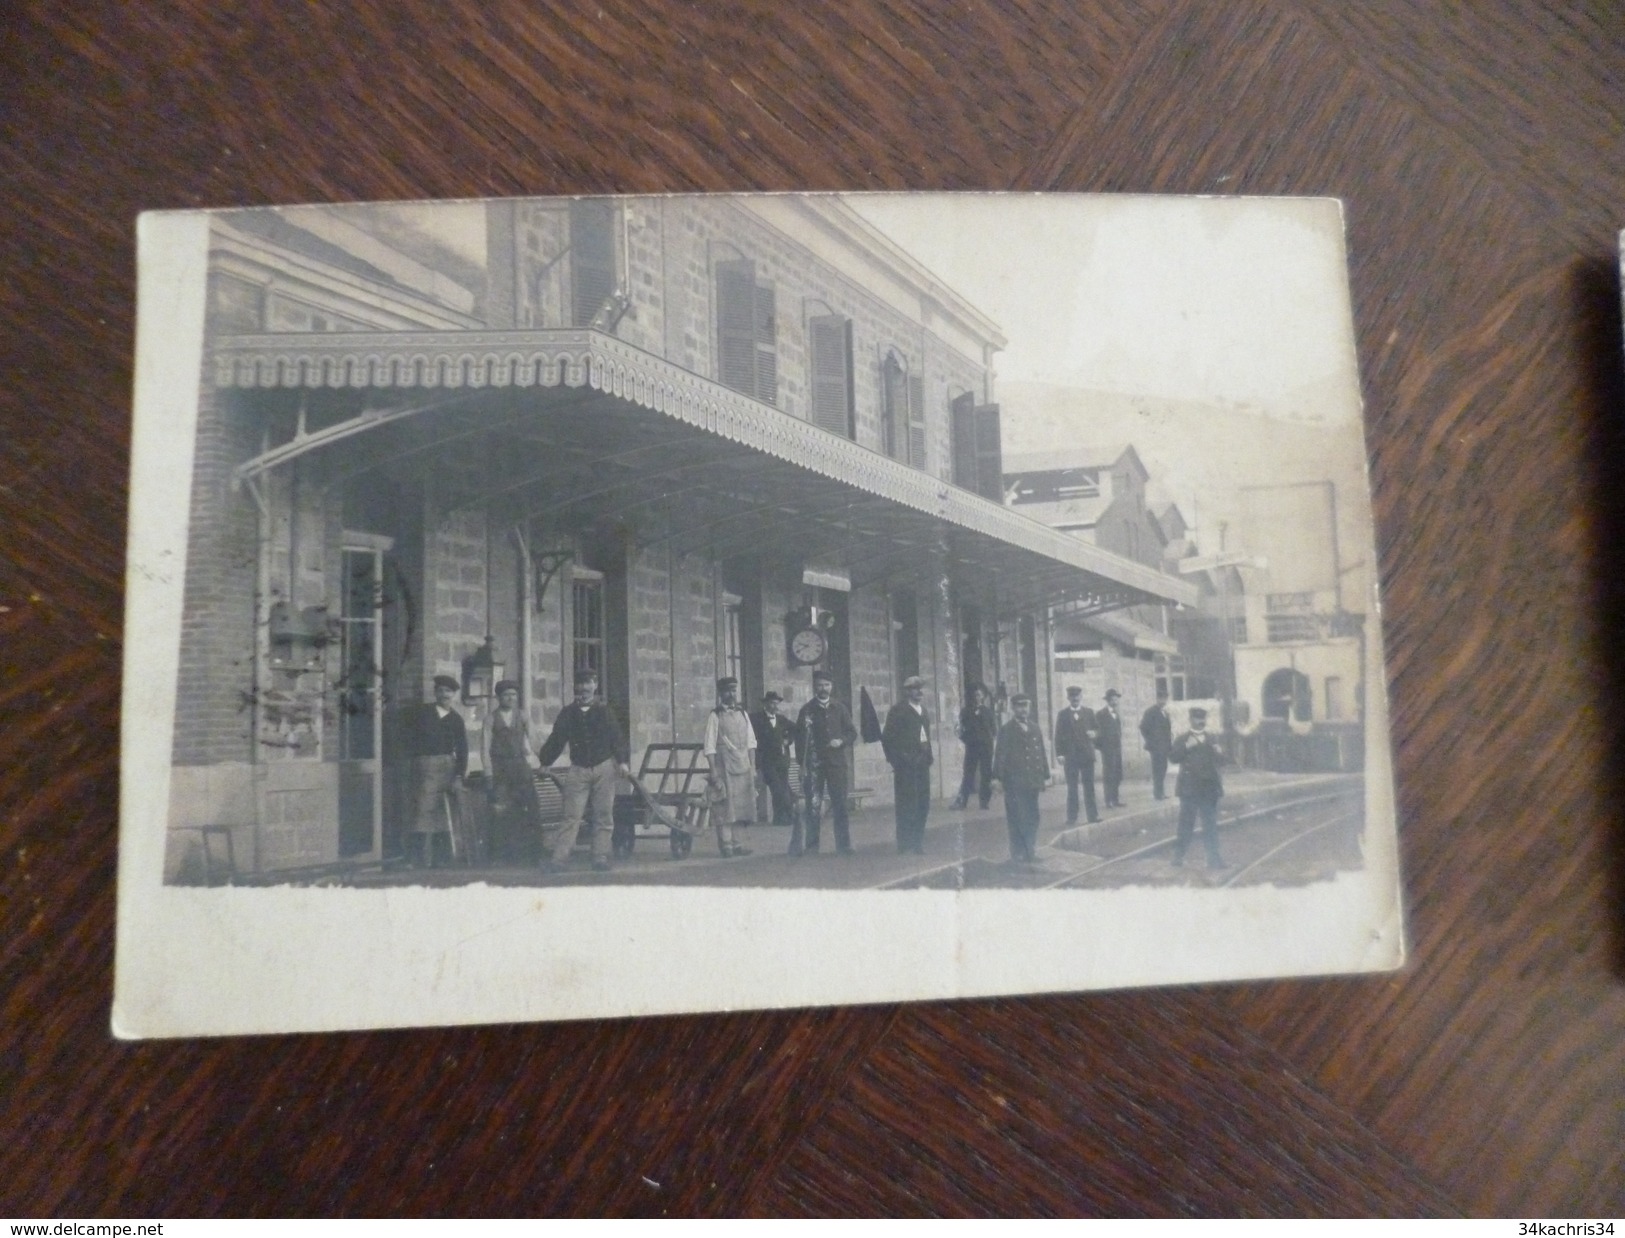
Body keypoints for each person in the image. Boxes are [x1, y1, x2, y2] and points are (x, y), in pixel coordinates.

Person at [536, 670, 631, 873]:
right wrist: (546, 761)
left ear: (595, 686)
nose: (584, 689)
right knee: (571, 815)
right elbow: (557, 739)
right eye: (580, 684)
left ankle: (601, 856)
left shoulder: (605, 712)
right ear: (575, 688)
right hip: (578, 769)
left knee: (603, 814)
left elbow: (617, 738)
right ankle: (559, 859)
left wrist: (622, 761)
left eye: (588, 683)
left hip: (604, 768)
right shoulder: (568, 713)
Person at [792, 669, 857, 856]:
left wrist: (841, 741)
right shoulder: (807, 710)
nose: (823, 689)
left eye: (826, 685)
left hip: (837, 764)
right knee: (814, 806)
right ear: (815, 687)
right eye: (820, 685)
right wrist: (801, 765)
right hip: (814, 767)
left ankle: (844, 846)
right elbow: (799, 740)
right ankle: (812, 847)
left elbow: (852, 733)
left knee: (840, 805)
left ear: (831, 686)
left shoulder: (840, 708)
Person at [406, 675, 468, 868]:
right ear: (435, 693)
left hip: (448, 766)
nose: (444, 695)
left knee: (444, 811)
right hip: (426, 766)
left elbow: (463, 749)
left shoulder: (456, 719)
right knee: (423, 810)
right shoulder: (422, 713)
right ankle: (418, 860)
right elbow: (405, 735)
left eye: (448, 692)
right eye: (441, 691)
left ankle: (441, 859)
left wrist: (459, 775)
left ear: (454, 695)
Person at [480, 679, 540, 864]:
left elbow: (534, 739)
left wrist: (543, 760)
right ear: (499, 697)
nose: (510, 698)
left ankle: (533, 852)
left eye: (513, 694)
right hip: (500, 769)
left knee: (530, 807)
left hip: (520, 767)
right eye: (506, 695)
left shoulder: (522, 716)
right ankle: (500, 854)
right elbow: (484, 747)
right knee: (501, 810)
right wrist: (488, 772)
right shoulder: (490, 718)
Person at [993, 693, 1051, 863]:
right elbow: (1000, 755)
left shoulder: (1035, 728)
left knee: (1033, 816)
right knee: (1017, 817)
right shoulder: (1007, 730)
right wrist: (997, 778)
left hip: (1032, 780)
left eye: (1025, 706)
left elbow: (1041, 753)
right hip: (1014, 782)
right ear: (1013, 708)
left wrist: (1045, 775)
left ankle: (1030, 851)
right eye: (1019, 706)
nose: (1023, 709)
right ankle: (1017, 853)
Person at [702, 676, 756, 859]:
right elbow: (709, 746)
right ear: (720, 693)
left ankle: (737, 844)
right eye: (727, 691)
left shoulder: (743, 713)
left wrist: (753, 767)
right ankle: (726, 845)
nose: (731, 694)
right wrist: (713, 771)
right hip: (724, 765)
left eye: (734, 690)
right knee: (725, 806)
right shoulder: (715, 715)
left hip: (743, 765)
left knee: (741, 806)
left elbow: (751, 742)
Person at [1169, 706, 1228, 869]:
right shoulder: (1183, 739)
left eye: (1203, 719)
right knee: (1185, 824)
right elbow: (1173, 758)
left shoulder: (1211, 738)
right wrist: (1186, 746)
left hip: (1208, 789)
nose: (1201, 722)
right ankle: (1178, 857)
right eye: (1197, 719)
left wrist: (1220, 752)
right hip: (1189, 789)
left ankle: (1214, 859)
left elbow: (1223, 762)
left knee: (1210, 825)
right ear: (1191, 720)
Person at [881, 675, 934, 854]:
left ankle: (917, 843)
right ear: (907, 692)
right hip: (906, 765)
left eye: (921, 689)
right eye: (914, 689)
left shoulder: (923, 711)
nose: (919, 692)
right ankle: (904, 844)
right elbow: (888, 738)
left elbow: (925, 736)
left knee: (922, 804)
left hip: (922, 764)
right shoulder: (898, 711)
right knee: (906, 804)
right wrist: (897, 760)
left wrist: (928, 756)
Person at [750, 690, 798, 828]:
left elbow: (795, 729)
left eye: (776, 703)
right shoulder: (756, 719)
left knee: (782, 787)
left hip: (782, 760)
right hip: (766, 761)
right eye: (771, 703)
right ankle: (787, 813)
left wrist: (788, 740)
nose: (774, 706)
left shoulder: (782, 719)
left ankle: (780, 818)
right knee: (777, 788)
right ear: (765, 704)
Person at [1054, 686, 1100, 825]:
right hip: (1071, 756)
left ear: (1081, 697)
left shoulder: (1089, 712)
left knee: (1089, 787)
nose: (1075, 698)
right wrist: (1060, 754)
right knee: (1072, 788)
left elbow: (1097, 729)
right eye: (1072, 696)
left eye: (1077, 696)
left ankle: (1093, 816)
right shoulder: (1063, 715)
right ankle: (1072, 817)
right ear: (1068, 698)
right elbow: (1058, 735)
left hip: (1086, 755)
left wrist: (1094, 733)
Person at [952, 684, 996, 810]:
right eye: (975, 695)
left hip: (986, 747)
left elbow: (993, 729)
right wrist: (967, 740)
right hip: (972, 747)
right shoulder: (966, 711)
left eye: (980, 695)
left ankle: (984, 801)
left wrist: (988, 740)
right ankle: (962, 800)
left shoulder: (988, 712)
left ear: (983, 697)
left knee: (986, 774)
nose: (977, 698)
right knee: (968, 773)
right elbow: (959, 729)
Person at [1139, 687, 1174, 801]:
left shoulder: (1165, 713)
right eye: (1161, 699)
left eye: (1165, 699)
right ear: (1157, 699)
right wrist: (1151, 741)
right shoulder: (1151, 712)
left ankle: (1161, 792)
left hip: (1164, 747)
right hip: (1156, 747)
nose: (1163, 701)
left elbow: (1167, 730)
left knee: (1163, 769)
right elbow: (1143, 727)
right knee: (1157, 770)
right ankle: (1157, 793)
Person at [1095, 688, 1125, 808]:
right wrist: (1102, 747)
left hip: (1117, 749)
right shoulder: (1101, 714)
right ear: (1108, 700)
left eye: (1116, 699)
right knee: (1109, 774)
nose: (1115, 701)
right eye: (1112, 699)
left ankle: (1115, 799)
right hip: (1107, 749)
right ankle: (1108, 801)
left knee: (1117, 773)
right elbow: (1097, 731)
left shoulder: (1117, 714)